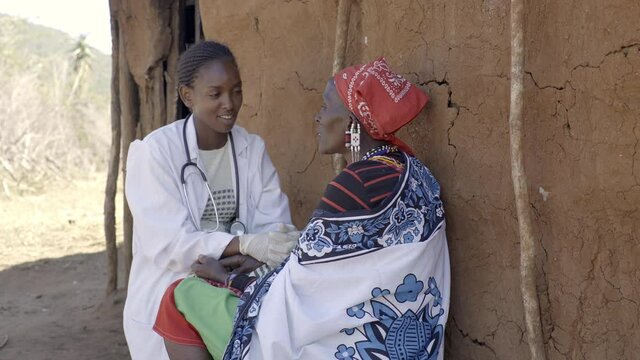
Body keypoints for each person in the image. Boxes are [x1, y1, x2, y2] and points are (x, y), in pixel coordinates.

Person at [154, 58, 451, 360]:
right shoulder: (413, 171)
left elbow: (299, 291)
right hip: (406, 341)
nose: (318, 118)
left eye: (325, 107)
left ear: (350, 123)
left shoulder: (353, 186)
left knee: (180, 297)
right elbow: (340, 265)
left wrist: (229, 280)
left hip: (344, 345)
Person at [122, 41, 299, 360]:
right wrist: (244, 244)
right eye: (215, 94)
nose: (229, 104)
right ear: (187, 96)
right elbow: (169, 243)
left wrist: (253, 254)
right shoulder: (155, 153)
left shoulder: (252, 149)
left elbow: (276, 228)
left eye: (236, 91)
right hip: (170, 295)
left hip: (233, 289)